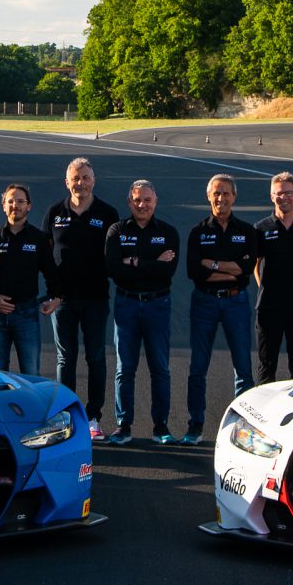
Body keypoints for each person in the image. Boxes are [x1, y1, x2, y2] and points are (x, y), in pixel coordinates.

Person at [45, 157, 119, 439]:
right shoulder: (55, 212)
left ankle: (93, 417)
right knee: (66, 359)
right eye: (75, 178)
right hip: (63, 301)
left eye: (85, 178)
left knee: (96, 357)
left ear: (93, 181)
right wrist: (52, 293)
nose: (81, 183)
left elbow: (115, 254)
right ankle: (66, 415)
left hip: (96, 298)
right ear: (67, 182)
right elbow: (45, 252)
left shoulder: (107, 213)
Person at [107, 179, 181, 442]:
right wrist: (151, 262)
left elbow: (168, 270)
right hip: (126, 304)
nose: (142, 205)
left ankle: (160, 426)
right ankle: (123, 425)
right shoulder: (117, 230)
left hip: (157, 304)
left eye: (147, 200)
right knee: (124, 368)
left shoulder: (168, 232)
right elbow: (113, 268)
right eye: (137, 200)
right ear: (129, 202)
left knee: (160, 368)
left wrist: (134, 262)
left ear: (155, 202)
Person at [184, 173, 256, 439]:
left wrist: (211, 263)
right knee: (198, 367)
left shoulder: (247, 231)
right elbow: (194, 272)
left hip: (236, 301)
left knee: (243, 368)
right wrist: (228, 269)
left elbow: (245, 270)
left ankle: (245, 424)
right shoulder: (197, 232)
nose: (221, 198)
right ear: (208, 196)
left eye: (226, 193)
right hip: (204, 302)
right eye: (216, 193)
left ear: (234, 197)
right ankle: (195, 424)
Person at [0, 183, 58, 375]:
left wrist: (56, 298)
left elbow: (51, 272)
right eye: (10, 201)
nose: (15, 205)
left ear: (29, 206)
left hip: (26, 315)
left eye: (20, 201)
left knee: (30, 374)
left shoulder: (39, 238)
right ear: (3, 206)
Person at [254, 171, 293, 383]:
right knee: (266, 366)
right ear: (272, 197)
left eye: (289, 193)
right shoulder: (261, 228)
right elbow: (256, 264)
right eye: (279, 194)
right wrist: (267, 288)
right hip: (268, 307)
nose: (284, 197)